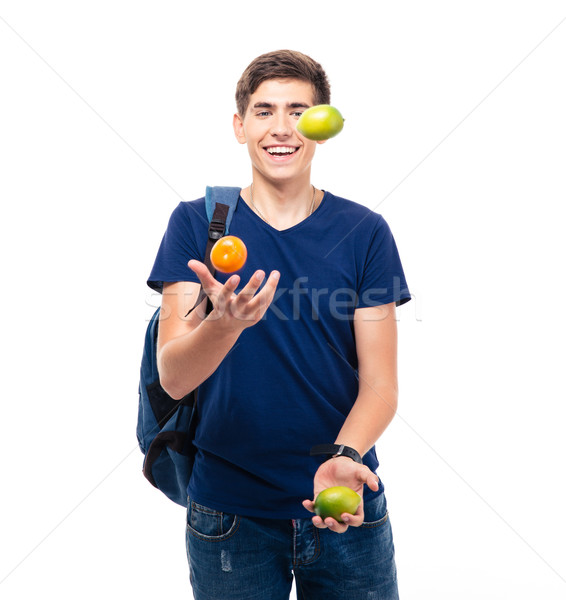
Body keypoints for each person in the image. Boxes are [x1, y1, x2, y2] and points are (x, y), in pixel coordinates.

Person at [147, 49, 411, 600]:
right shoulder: (197, 224)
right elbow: (172, 378)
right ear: (240, 126)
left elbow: (381, 384)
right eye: (264, 112)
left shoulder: (365, 232)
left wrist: (346, 457)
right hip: (226, 515)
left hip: (346, 505)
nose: (282, 128)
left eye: (299, 110)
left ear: (323, 125)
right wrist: (224, 325)